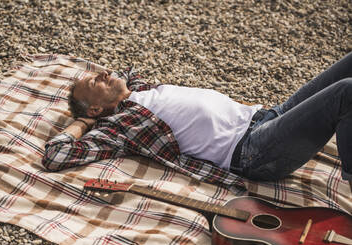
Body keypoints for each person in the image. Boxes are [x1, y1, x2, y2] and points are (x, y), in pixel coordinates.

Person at [42, 52, 352, 192]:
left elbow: (127, 70)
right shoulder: (121, 125)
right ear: (96, 109)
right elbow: (57, 156)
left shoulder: (138, 91)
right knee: (346, 93)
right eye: (95, 81)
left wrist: (109, 88)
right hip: (256, 151)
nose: (104, 72)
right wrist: (82, 123)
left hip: (266, 116)